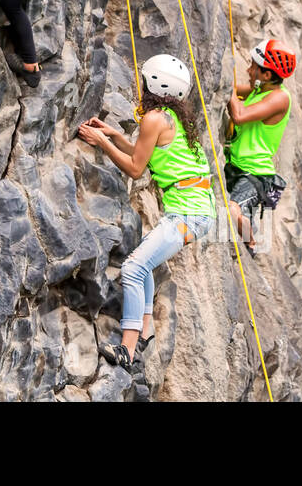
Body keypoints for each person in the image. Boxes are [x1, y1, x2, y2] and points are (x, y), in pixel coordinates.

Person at [77, 54, 215, 371]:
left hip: (188, 215)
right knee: (145, 261)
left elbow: (136, 169)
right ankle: (146, 328)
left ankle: (127, 347)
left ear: (153, 83)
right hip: (194, 212)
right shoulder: (170, 117)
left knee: (134, 267)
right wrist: (113, 135)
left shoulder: (155, 119)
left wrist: (101, 142)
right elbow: (144, 152)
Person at [224, 39, 295, 257]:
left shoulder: (280, 98)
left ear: (266, 75)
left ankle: (251, 241)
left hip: (255, 174)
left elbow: (240, 115)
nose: (249, 70)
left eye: (254, 66)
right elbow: (233, 89)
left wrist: (230, 94)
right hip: (235, 165)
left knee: (231, 210)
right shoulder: (259, 89)